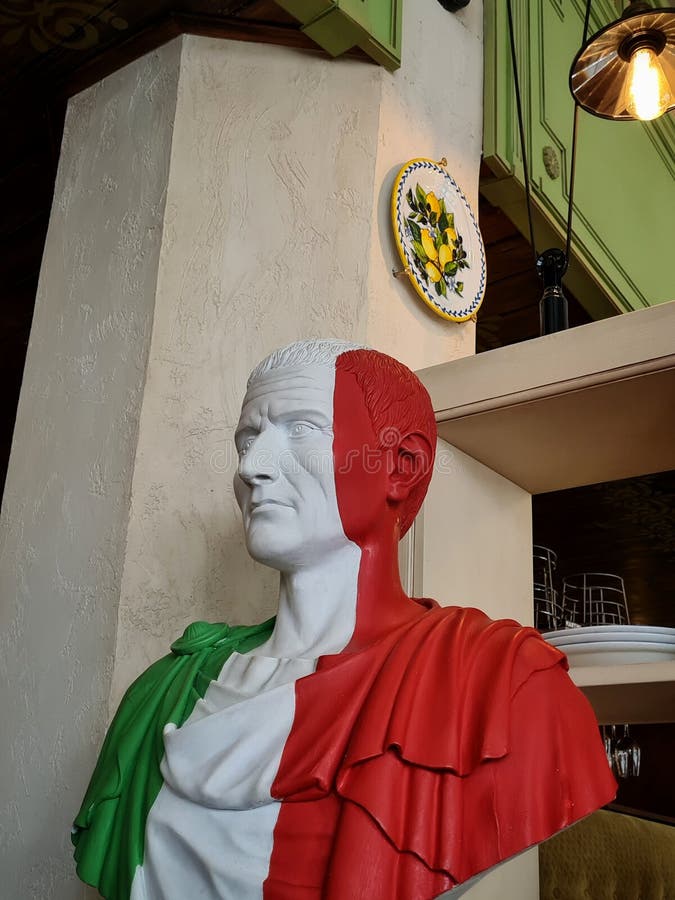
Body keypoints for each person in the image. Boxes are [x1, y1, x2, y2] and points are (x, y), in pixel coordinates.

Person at [73, 339, 616, 900]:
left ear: (401, 467)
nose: (252, 467)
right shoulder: (165, 689)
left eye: (301, 428)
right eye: (247, 439)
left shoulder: (506, 688)